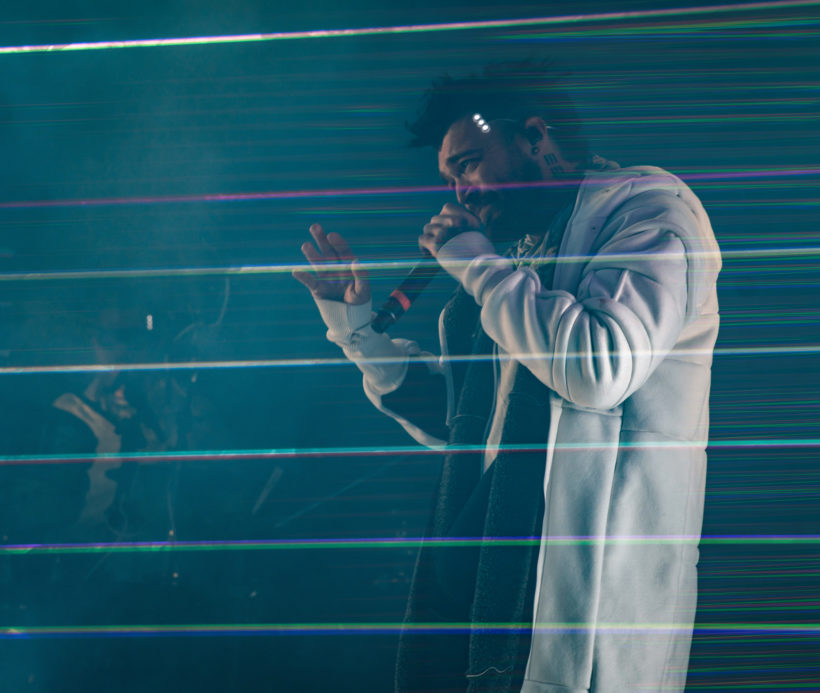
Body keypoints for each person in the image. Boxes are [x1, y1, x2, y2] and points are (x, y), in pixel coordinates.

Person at [294, 60, 722, 693]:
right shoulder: (521, 258)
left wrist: (477, 264)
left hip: (586, 585)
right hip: (488, 581)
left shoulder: (646, 211)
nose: (460, 194)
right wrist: (358, 329)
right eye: (450, 179)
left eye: (469, 165)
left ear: (535, 136)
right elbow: (462, 424)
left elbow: (601, 366)